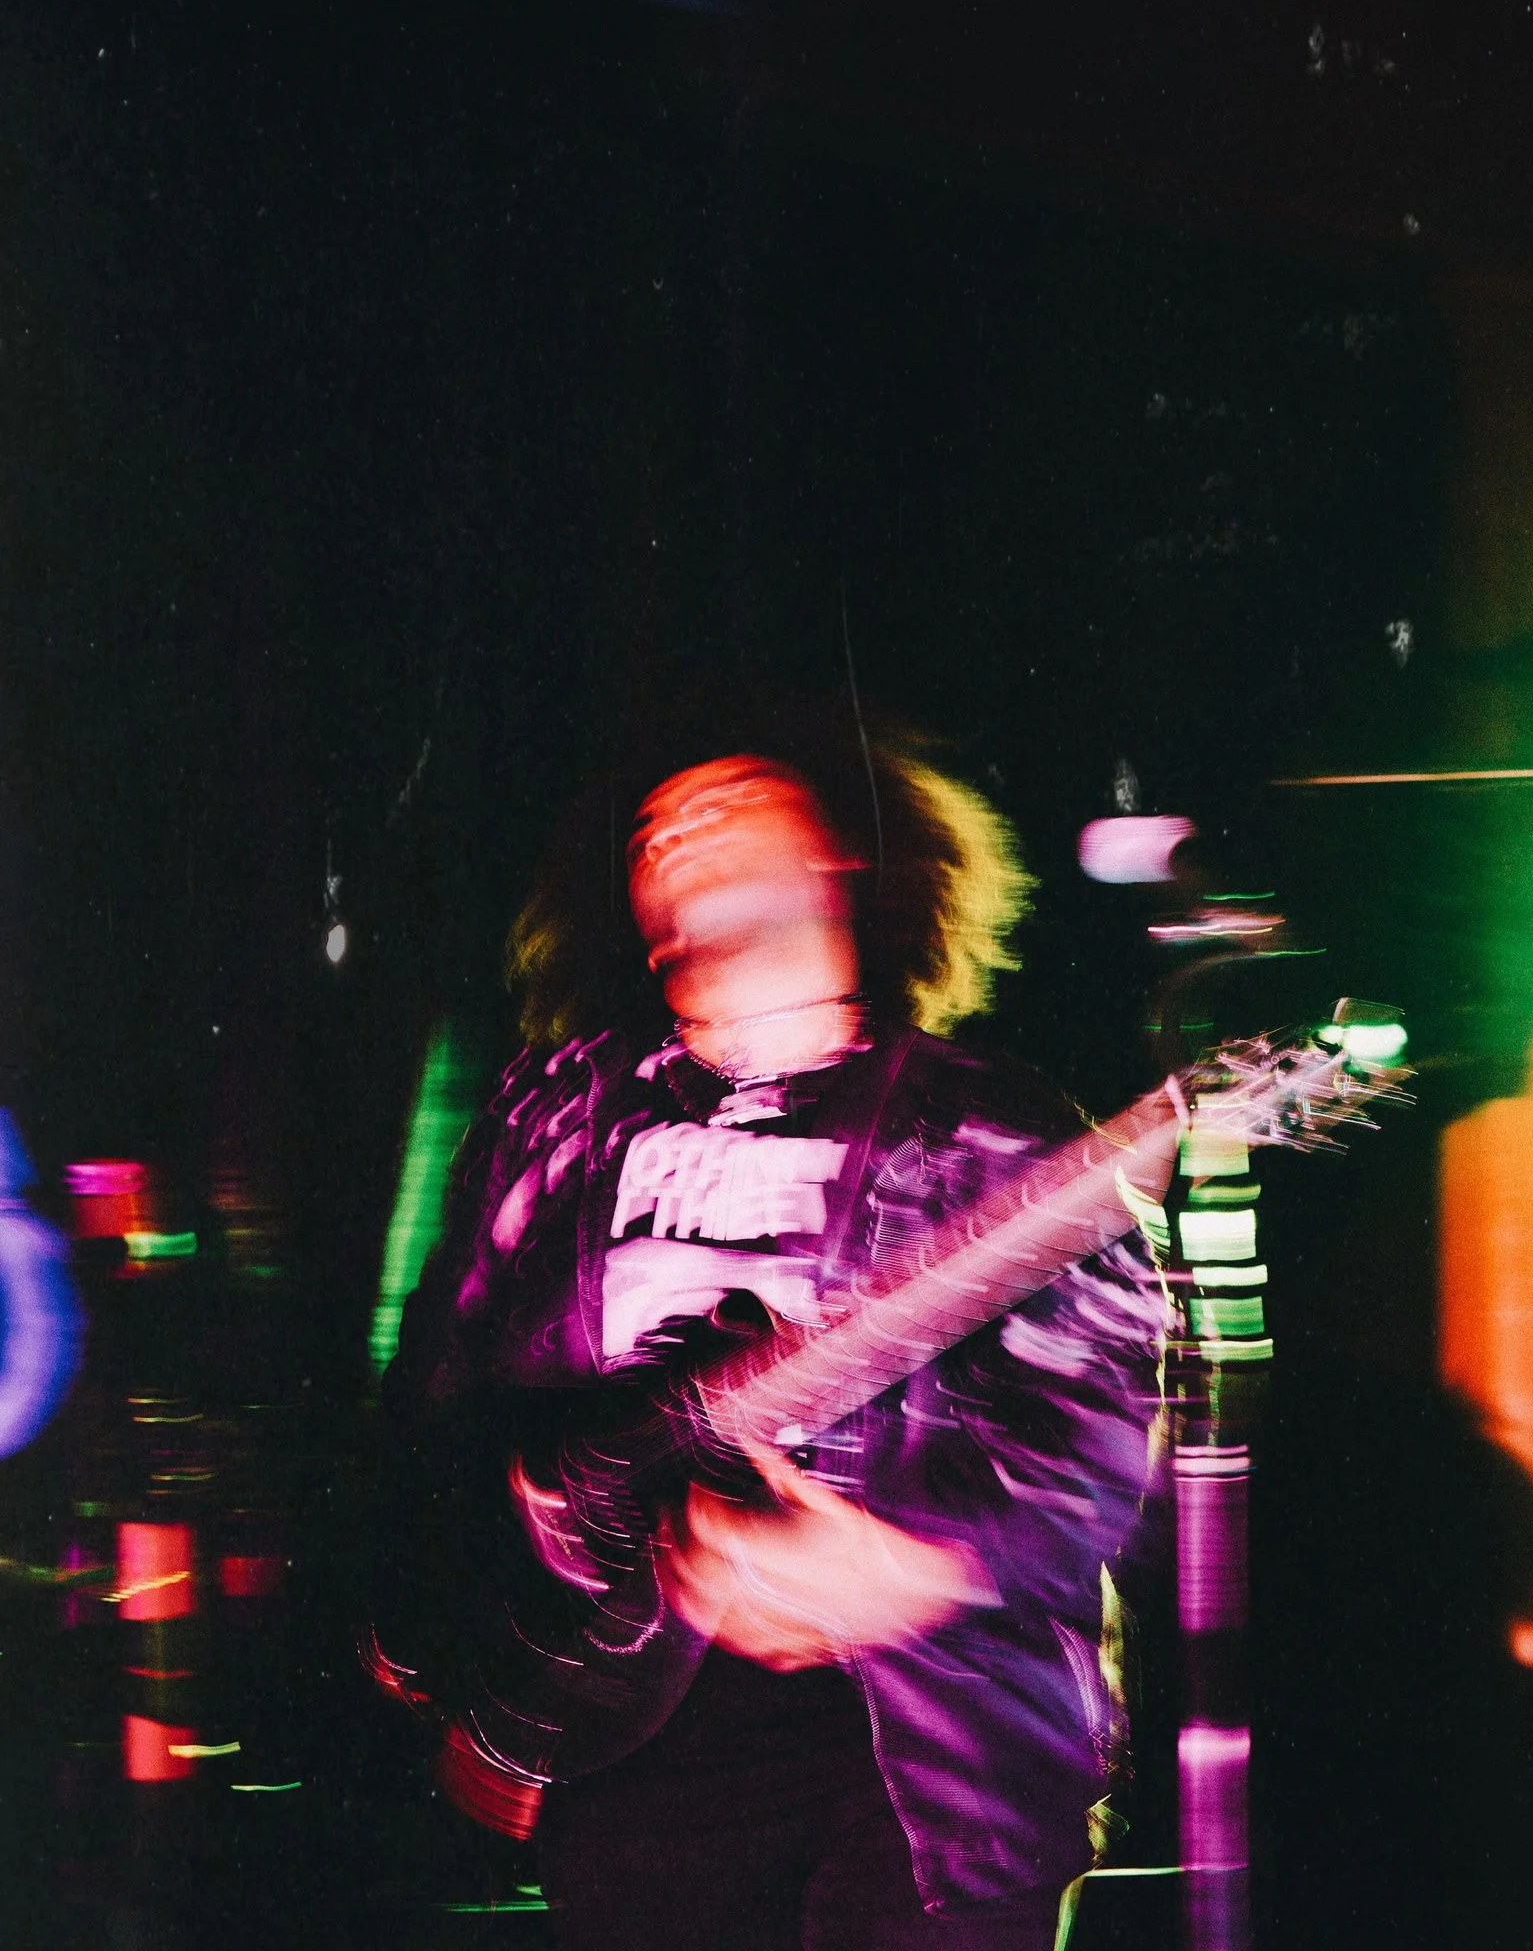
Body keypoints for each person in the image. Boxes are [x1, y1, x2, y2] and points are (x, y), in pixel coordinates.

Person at [376, 724, 1171, 1951]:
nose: (683, 823)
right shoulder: (555, 1115)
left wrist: (924, 1565)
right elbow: (443, 1383)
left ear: (843, 869)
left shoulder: (993, 1125)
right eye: (656, 824)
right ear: (642, 918)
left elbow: (1095, 1429)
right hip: (627, 1733)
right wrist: (449, 1644)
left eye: (736, 798)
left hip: (925, 1741)